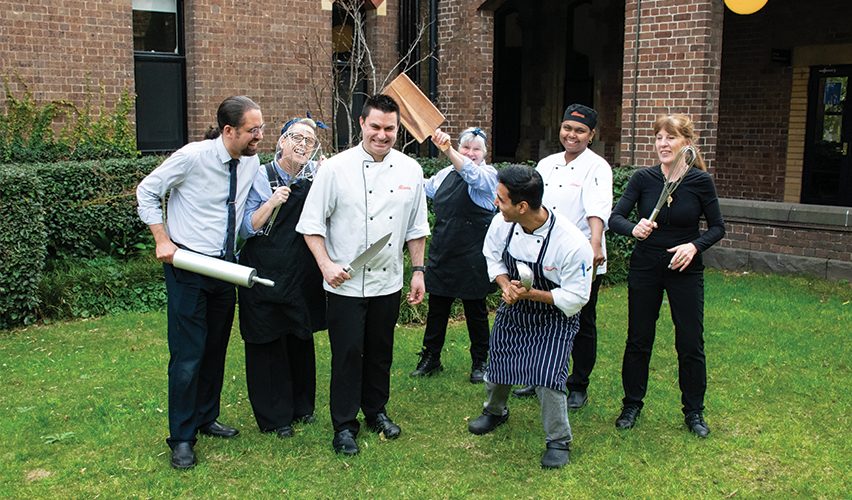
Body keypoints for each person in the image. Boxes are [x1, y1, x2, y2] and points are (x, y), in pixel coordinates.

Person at [296, 94, 430, 456]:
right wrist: (326, 265)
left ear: (398, 129)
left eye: (390, 128)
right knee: (347, 353)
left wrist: (418, 271)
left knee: (380, 352)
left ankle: (376, 411)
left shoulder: (410, 170)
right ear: (361, 124)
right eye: (375, 127)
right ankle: (343, 424)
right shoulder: (334, 169)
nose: (382, 135)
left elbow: (416, 228)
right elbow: (311, 226)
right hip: (345, 283)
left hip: (389, 279)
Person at [136, 96, 264, 469]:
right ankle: (181, 437)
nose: (259, 136)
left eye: (261, 129)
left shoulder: (252, 161)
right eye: (252, 130)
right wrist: (162, 238)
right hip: (188, 266)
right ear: (229, 131)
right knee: (188, 355)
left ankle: (206, 417)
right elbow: (147, 190)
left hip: (225, 267)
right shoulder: (193, 157)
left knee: (214, 349)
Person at [467, 164, 593, 469]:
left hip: (554, 316)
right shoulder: (503, 223)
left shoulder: (571, 243)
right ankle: (495, 411)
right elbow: (492, 256)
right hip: (515, 308)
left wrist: (532, 294)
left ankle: (558, 440)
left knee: (548, 376)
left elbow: (577, 297)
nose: (496, 203)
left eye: (501, 199)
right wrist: (504, 286)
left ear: (522, 206)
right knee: (499, 365)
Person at [608, 114, 725, 438]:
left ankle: (694, 411)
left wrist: (694, 246)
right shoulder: (643, 179)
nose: (662, 143)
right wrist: (634, 228)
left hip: (685, 269)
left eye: (670, 137)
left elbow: (717, 227)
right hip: (645, 266)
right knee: (639, 339)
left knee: (690, 341)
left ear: (686, 143)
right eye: (658, 137)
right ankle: (631, 404)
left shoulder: (700, 181)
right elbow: (615, 218)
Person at [514, 104, 612, 408]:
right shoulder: (546, 164)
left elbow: (597, 207)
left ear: (591, 135)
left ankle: (578, 384)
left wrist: (595, 244)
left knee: (580, 320)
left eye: (580, 130)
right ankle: (537, 374)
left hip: (581, 255)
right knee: (539, 317)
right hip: (543, 252)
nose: (572, 135)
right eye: (568, 128)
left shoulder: (598, 167)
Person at [237, 117, 327, 439]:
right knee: (268, 341)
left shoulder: (317, 176)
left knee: (300, 338)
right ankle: (275, 418)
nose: (303, 145)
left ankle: (302, 408)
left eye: (310, 140)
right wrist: (272, 202)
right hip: (264, 271)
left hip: (301, 274)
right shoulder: (260, 176)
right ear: (282, 140)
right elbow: (246, 227)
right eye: (297, 137)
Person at [409, 127, 498, 383]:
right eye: (466, 148)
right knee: (437, 309)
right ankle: (431, 357)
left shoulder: (488, 176)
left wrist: (447, 149)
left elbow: (470, 174)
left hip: (473, 257)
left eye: (476, 149)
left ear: (484, 153)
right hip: (442, 251)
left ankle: (481, 361)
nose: (470, 153)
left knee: (475, 312)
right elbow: (421, 188)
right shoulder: (444, 174)